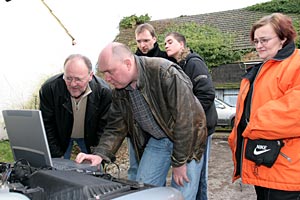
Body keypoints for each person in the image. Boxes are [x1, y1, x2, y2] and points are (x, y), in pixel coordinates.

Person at [75, 42, 207, 200]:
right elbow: (115, 127)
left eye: (110, 72)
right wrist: (100, 154)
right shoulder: (119, 91)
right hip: (159, 139)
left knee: (182, 193)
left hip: (189, 140)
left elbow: (187, 120)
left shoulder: (165, 72)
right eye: (104, 73)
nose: (107, 79)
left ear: (128, 64)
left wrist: (180, 162)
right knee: (143, 191)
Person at [228, 13, 300, 200]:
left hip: (287, 171)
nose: (259, 45)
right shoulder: (263, 68)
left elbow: (295, 111)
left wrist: (250, 126)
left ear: (283, 38)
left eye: (265, 40)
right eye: (256, 41)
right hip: (265, 163)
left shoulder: (296, 64)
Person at [164, 32, 218, 200]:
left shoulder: (193, 63)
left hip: (199, 128)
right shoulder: (179, 65)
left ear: (182, 44)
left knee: (193, 176)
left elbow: (207, 93)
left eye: (170, 42)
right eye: (164, 42)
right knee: (198, 176)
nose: (165, 45)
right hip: (192, 126)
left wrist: (188, 118)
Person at [127, 22, 177, 181]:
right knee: (135, 170)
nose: (142, 45)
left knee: (155, 173)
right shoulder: (130, 63)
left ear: (154, 39)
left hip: (161, 127)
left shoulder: (166, 61)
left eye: (146, 40)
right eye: (139, 41)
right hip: (138, 127)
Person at [39, 54, 112, 159]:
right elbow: (46, 124)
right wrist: (56, 154)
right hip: (61, 136)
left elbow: (104, 127)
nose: (73, 84)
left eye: (78, 79)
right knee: (58, 169)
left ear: (90, 76)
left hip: (90, 136)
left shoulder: (104, 92)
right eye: (68, 78)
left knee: (94, 169)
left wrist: (98, 154)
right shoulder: (50, 89)